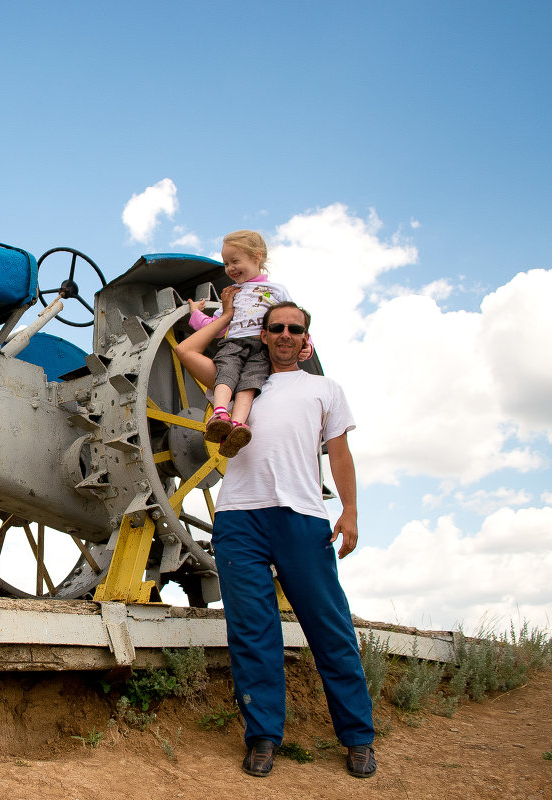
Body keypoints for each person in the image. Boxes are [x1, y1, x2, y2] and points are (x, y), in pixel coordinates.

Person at [175, 298, 376, 780]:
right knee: (251, 633)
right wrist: (227, 318)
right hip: (240, 518)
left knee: (330, 628)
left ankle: (358, 738)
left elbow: (340, 456)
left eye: (295, 329)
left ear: (306, 341)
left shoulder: (326, 390)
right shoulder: (235, 385)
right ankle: (263, 737)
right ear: (263, 335)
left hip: (302, 516)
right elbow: (185, 350)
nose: (285, 334)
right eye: (276, 327)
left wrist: (348, 511)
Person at [181, 230, 308, 458]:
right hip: (234, 344)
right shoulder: (232, 293)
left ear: (256, 257)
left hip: (260, 349)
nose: (230, 268)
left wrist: (307, 344)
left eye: (235, 261)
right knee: (226, 374)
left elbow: (293, 319)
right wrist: (195, 314)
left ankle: (238, 425)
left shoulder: (276, 290)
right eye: (226, 263)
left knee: (249, 384)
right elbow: (217, 327)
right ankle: (220, 415)